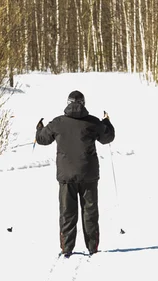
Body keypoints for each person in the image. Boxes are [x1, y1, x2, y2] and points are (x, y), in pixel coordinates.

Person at [35, 90, 115, 257]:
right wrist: (107, 122)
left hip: (66, 176)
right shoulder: (92, 122)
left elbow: (43, 139)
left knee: (67, 213)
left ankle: (67, 249)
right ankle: (93, 248)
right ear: (83, 103)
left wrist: (39, 128)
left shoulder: (58, 122)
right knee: (90, 211)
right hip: (89, 174)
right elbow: (107, 137)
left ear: (68, 102)